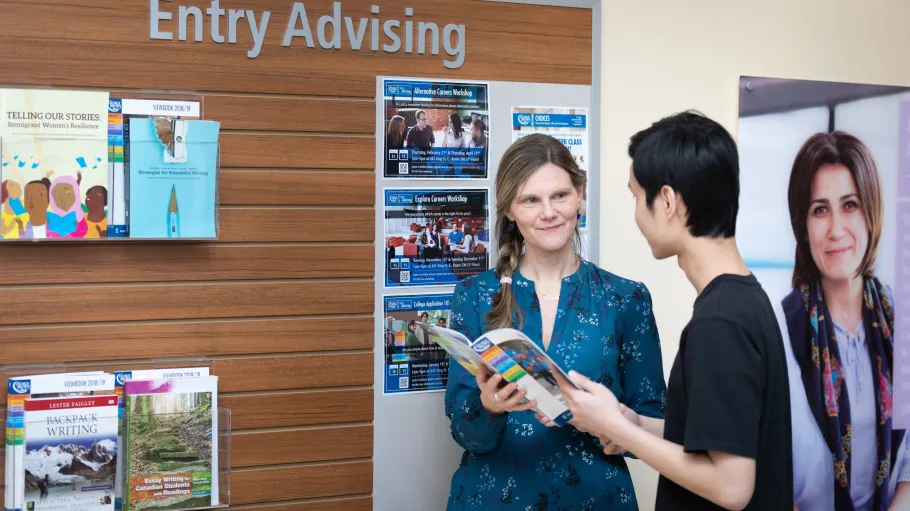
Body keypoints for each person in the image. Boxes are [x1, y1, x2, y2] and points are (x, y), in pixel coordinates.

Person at [560, 111, 794, 510]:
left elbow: (732, 487)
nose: (636, 213)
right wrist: (633, 423)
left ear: (667, 201)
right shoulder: (743, 300)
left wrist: (618, 429)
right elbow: (718, 433)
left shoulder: (720, 322)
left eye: (636, 196)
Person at [444, 133, 666, 510]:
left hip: (596, 499)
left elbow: (652, 423)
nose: (549, 213)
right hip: (492, 499)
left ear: (579, 195)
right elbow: (465, 434)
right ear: (510, 210)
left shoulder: (626, 299)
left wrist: (610, 426)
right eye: (531, 200)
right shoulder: (474, 296)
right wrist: (490, 405)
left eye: (560, 196)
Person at [779, 132, 910, 511]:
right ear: (802, 223)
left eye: (849, 205)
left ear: (871, 211)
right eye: (820, 209)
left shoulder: (901, 321)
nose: (836, 229)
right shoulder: (778, 331)